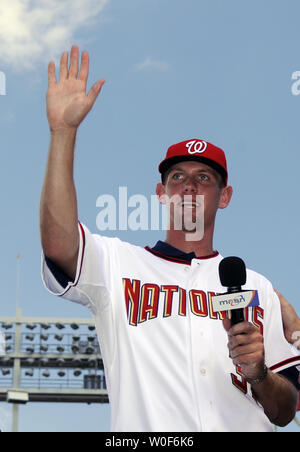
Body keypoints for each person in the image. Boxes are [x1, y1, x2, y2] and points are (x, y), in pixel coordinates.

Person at [40, 46, 300, 432]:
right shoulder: (115, 263)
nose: (190, 185)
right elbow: (58, 242)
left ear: (224, 197)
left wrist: (259, 373)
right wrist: (63, 134)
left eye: (204, 178)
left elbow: (285, 410)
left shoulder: (257, 286)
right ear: (161, 193)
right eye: (177, 177)